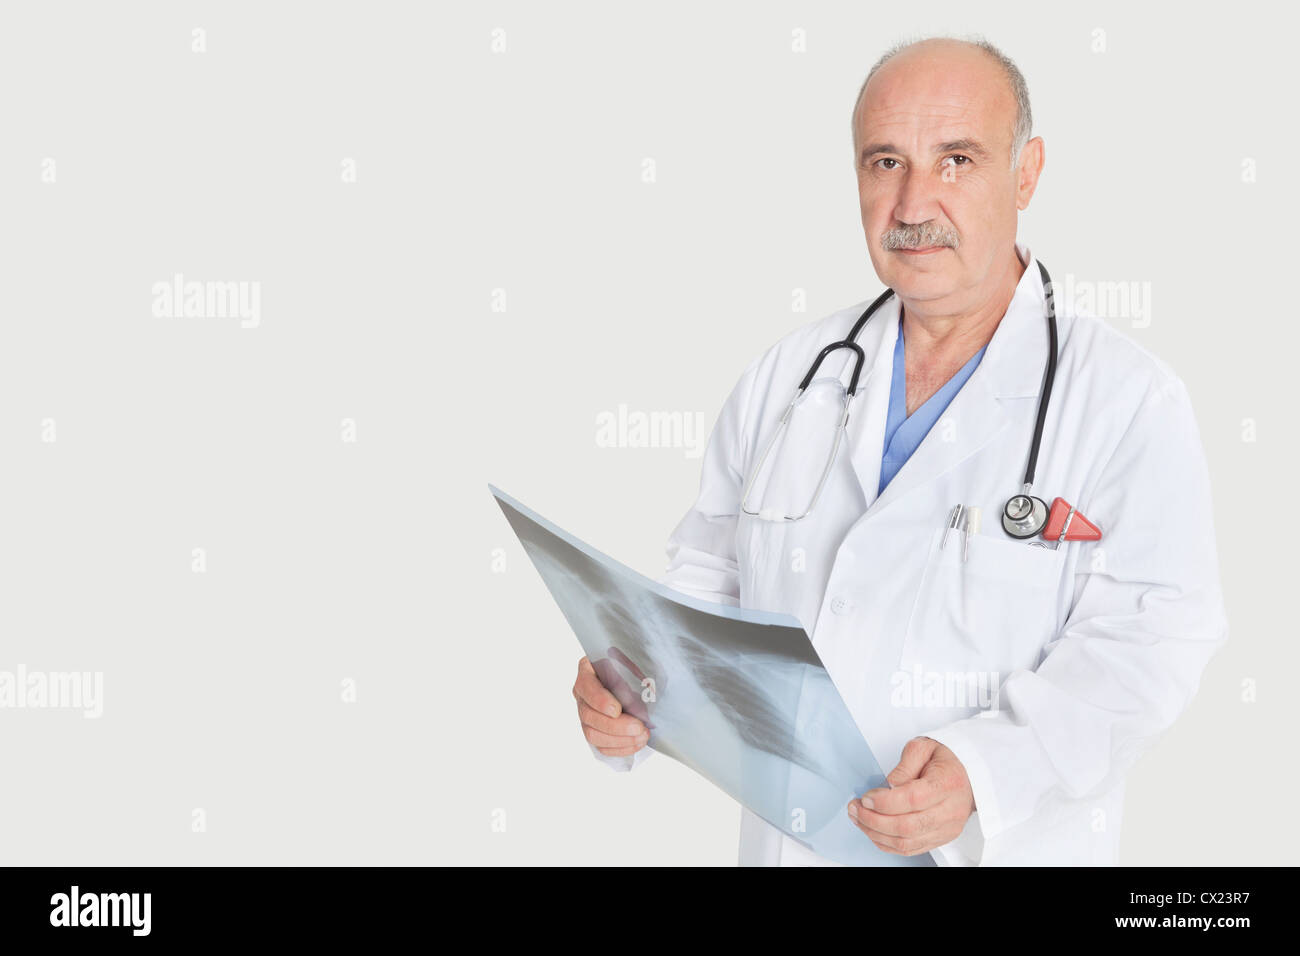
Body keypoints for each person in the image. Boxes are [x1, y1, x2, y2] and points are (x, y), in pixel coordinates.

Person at [572, 35, 1227, 866]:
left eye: (957, 159)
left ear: (1026, 174)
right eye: (885, 162)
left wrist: (988, 770)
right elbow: (707, 583)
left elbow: (1152, 643)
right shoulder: (789, 378)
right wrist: (634, 681)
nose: (914, 202)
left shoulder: (1127, 401)